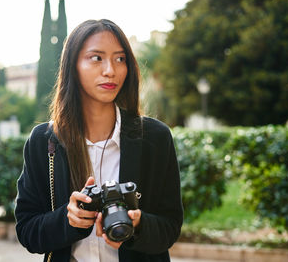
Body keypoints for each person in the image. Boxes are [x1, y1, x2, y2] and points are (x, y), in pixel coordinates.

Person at [15, 19, 183, 262]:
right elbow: (27, 230)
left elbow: (170, 227)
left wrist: (138, 226)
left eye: (120, 58)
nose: (110, 70)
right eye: (96, 58)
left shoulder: (154, 137)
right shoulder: (44, 141)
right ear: (73, 65)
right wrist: (67, 219)